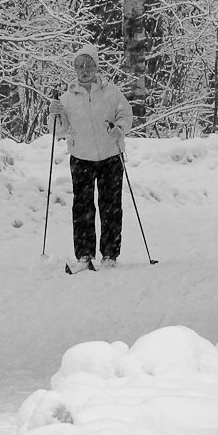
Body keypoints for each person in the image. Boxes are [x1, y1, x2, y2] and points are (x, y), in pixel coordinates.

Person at [48, 44, 133, 272]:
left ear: (96, 66)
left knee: (111, 206)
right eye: (79, 66)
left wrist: (120, 128)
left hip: (110, 156)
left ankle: (109, 255)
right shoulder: (67, 98)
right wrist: (54, 114)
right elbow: (59, 130)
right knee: (83, 207)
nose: (84, 70)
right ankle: (84, 255)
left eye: (89, 65)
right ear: (74, 69)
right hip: (81, 157)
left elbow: (125, 114)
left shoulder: (111, 92)